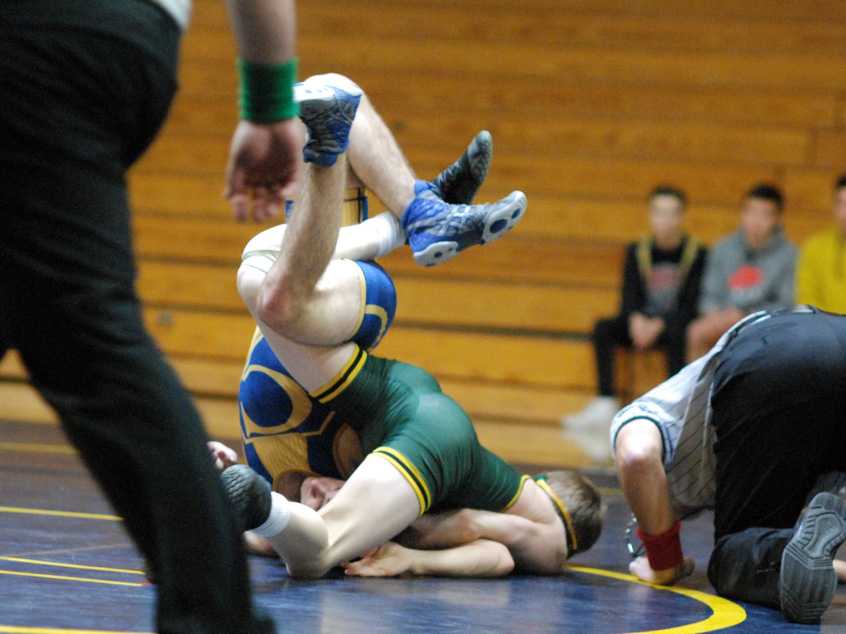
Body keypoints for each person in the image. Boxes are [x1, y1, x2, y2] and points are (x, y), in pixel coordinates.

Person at [218, 75, 603, 579]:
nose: (322, 493)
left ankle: (414, 216)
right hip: (415, 422)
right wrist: (414, 554)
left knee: (263, 274)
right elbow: (481, 534)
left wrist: (221, 521)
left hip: (390, 389)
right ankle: (406, 221)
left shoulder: (495, 487)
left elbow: (277, 536)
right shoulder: (544, 538)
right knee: (316, 553)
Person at [0, 1, 304, 631]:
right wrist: (269, 98)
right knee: (66, 322)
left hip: (36, 40)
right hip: (129, 46)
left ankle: (215, 614)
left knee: (85, 335)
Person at [612, 306, 846, 624]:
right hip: (832, 331)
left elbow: (635, 455)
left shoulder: (660, 408)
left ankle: (778, 557)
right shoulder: (736, 468)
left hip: (776, 354)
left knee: (730, 560)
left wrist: (663, 560)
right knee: (770, 537)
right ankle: (785, 556)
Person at [562, 186, 706, 460]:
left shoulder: (696, 252)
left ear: (681, 217)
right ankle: (605, 400)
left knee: (682, 332)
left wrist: (660, 323)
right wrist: (635, 319)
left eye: (670, 213)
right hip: (641, 322)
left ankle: (672, 405)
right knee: (603, 327)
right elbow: (628, 294)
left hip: (671, 325)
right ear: (650, 215)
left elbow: (692, 304)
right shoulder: (637, 250)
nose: (664, 220)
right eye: (658, 212)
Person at [686, 183, 797, 361]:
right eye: (751, 212)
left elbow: (787, 304)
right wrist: (718, 314)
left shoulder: (789, 254)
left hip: (765, 324)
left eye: (765, 214)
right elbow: (708, 295)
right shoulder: (723, 248)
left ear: (778, 219)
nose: (756, 221)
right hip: (722, 319)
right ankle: (701, 388)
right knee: (696, 332)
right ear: (742, 214)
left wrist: (746, 316)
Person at [797, 173, 846, 316]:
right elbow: (806, 301)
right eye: (842, 204)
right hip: (824, 333)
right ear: (834, 207)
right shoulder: (815, 247)